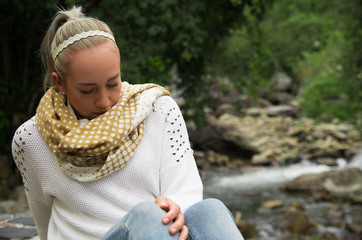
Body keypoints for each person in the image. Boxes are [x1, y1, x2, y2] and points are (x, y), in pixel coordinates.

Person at [11, 5, 244, 240]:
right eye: (88, 90)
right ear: (59, 83)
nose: (104, 101)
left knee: (210, 210)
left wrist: (175, 206)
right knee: (146, 213)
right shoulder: (31, 139)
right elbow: (43, 221)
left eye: (113, 84)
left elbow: (187, 191)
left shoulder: (156, 108)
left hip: (161, 234)